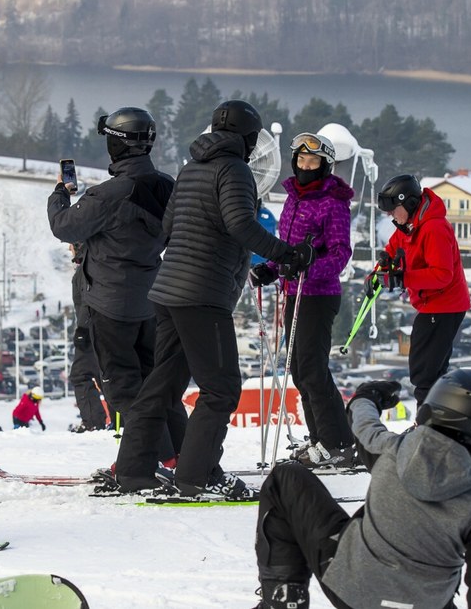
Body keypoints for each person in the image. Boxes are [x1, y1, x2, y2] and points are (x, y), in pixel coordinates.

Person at [115, 99, 313, 498]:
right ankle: (198, 476)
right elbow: (241, 224)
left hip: (168, 291)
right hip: (203, 295)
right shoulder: (234, 170)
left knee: (163, 384)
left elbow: (168, 227)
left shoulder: (190, 169)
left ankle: (133, 470)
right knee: (221, 389)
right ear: (249, 138)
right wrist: (287, 254)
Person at [252, 369, 471, 609]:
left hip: (352, 591)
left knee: (284, 479)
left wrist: (368, 395)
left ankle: (282, 599)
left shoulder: (392, 450)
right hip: (426, 603)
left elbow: (363, 422)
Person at [47, 107, 184, 462]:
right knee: (154, 381)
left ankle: (152, 458)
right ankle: (180, 455)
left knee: (123, 388)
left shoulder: (109, 194)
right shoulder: (168, 187)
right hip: (152, 299)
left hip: (110, 303)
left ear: (116, 145)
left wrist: (60, 193)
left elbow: (64, 226)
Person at [249, 131, 356, 470]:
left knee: (312, 371)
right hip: (294, 293)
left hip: (319, 295)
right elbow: (289, 249)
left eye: (313, 161)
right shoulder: (294, 198)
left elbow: (340, 254)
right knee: (300, 371)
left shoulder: (332, 201)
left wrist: (309, 266)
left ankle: (338, 443)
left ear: (325, 165)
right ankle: (321, 439)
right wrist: (271, 268)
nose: (305, 166)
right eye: (301, 160)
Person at [376, 174, 471, 405]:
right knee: (429, 370)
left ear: (408, 203)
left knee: (425, 372)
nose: (390, 216)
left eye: (393, 209)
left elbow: (442, 275)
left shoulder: (434, 228)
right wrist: (377, 274)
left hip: (444, 306)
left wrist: (403, 278)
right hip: (433, 305)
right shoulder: (409, 226)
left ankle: (427, 425)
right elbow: (391, 251)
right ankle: (435, 423)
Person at [65, 244, 108, 432]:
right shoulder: (95, 264)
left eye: (71, 245)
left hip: (91, 331)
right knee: (106, 375)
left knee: (80, 375)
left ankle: (93, 422)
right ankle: (120, 420)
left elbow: (87, 300)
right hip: (100, 329)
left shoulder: (86, 269)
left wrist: (82, 330)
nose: (69, 248)